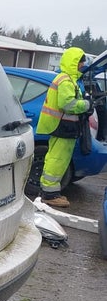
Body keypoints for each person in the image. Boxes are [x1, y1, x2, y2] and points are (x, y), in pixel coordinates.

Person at [36, 46, 91, 208]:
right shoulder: (66, 80)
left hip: (64, 126)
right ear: (74, 62)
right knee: (57, 159)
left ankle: (49, 192)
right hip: (62, 126)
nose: (83, 65)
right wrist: (87, 104)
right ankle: (49, 195)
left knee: (57, 159)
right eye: (81, 62)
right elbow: (68, 104)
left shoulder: (68, 80)